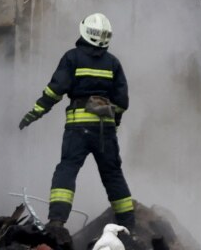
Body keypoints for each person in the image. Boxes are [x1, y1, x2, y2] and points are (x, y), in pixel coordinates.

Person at [17, 13, 135, 233]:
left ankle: (57, 222)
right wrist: (114, 123)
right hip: (104, 132)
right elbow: (121, 102)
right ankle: (129, 225)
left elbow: (55, 91)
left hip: (78, 130)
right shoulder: (113, 63)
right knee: (113, 174)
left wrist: (35, 113)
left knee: (67, 170)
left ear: (84, 32)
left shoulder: (72, 58)